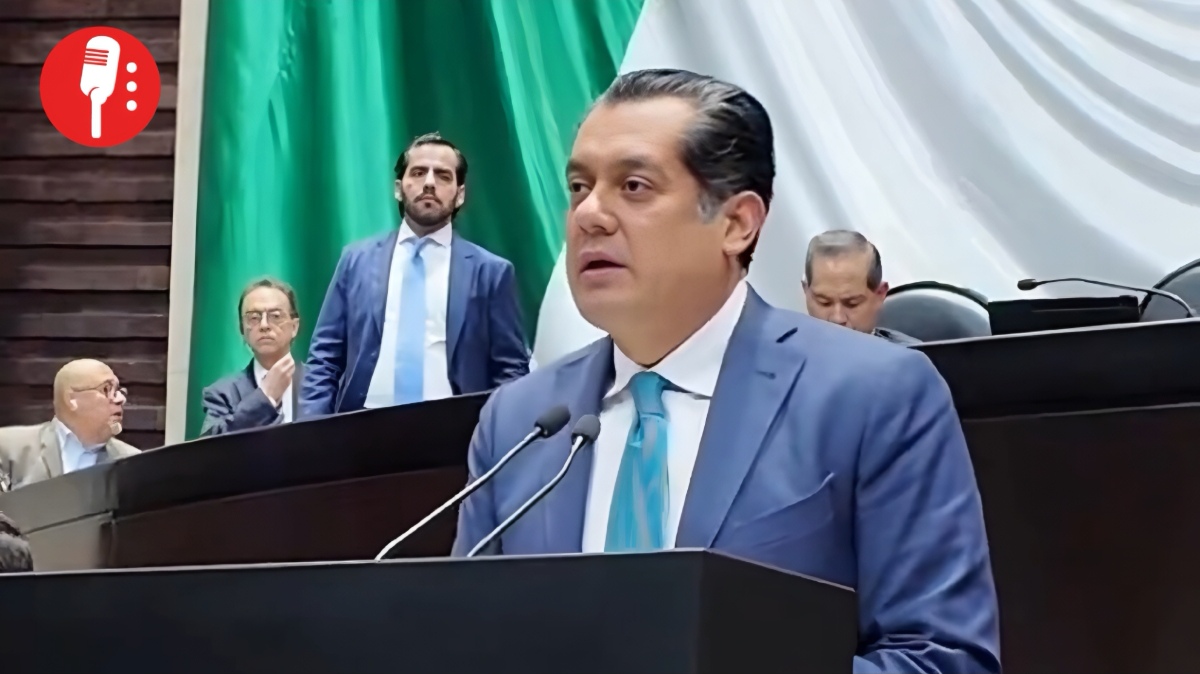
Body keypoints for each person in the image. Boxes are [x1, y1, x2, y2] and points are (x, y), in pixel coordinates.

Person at [452, 69, 999, 673]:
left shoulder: (873, 396)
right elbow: (469, 647)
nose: (589, 214)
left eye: (633, 186)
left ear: (737, 223)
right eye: (580, 186)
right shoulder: (519, 423)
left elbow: (941, 659)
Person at [301, 133, 530, 416]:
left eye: (443, 176)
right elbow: (325, 357)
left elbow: (511, 368)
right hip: (363, 425)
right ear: (399, 188)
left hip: (455, 429)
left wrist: (500, 429)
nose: (430, 183)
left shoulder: (491, 273)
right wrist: (311, 428)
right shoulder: (356, 261)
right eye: (419, 173)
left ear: (460, 194)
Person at [0, 359, 139, 489]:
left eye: (119, 391)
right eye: (106, 389)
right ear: (72, 399)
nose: (120, 399)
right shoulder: (8, 447)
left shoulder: (133, 461)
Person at [200, 277, 302, 436]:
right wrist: (265, 397)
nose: (264, 325)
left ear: (294, 327)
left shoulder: (322, 383)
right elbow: (210, 446)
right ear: (242, 329)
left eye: (275, 316)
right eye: (254, 318)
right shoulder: (222, 393)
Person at [803, 230, 919, 345]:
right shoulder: (791, 351)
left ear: (880, 293)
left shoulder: (911, 356)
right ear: (806, 291)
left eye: (852, 304)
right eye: (824, 302)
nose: (837, 318)